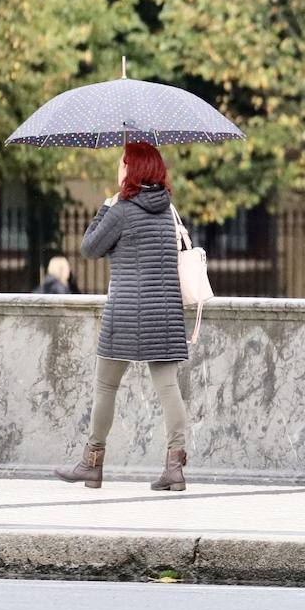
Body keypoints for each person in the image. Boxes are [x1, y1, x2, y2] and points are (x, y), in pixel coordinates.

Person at [54, 142, 191, 492]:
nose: (119, 169)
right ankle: (175, 467)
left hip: (126, 313)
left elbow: (89, 248)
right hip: (165, 313)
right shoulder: (168, 211)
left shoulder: (121, 211)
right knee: (169, 388)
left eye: (122, 164)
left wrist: (106, 206)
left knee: (105, 387)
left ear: (132, 170)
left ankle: (91, 464)